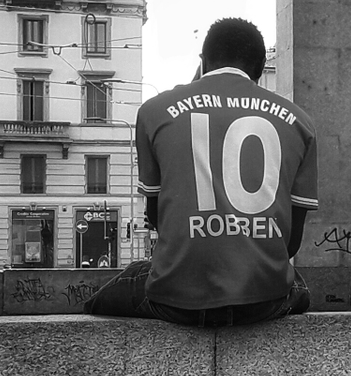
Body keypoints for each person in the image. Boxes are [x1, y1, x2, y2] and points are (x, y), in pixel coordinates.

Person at [85, 17, 316, 326]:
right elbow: (291, 242)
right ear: (262, 68)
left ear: (203, 61)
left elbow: (156, 217)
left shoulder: (154, 111)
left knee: (106, 295)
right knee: (297, 286)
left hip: (177, 298)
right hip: (263, 300)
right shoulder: (300, 123)